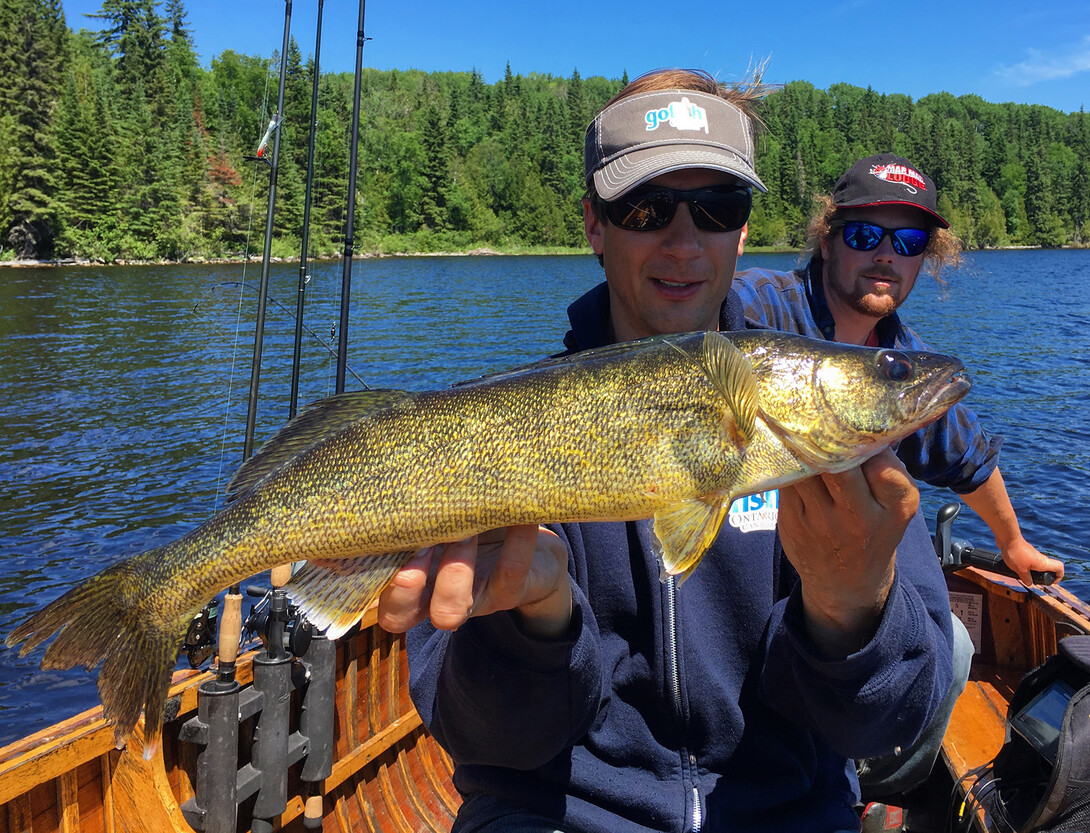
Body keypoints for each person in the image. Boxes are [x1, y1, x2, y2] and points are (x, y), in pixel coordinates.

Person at [376, 70, 955, 833]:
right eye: (646, 209)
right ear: (594, 225)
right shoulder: (510, 425)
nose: (684, 241)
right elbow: (487, 741)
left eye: (717, 207)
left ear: (743, 231)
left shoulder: (838, 459)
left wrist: (851, 607)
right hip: (555, 811)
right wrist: (537, 621)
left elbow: (891, 723)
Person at [732, 154, 1064, 588]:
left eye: (909, 241)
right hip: (733, 573)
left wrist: (1013, 543)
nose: (886, 255)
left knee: (948, 634)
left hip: (828, 582)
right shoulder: (751, 306)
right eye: (864, 235)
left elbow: (970, 458)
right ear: (828, 241)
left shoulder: (904, 366)